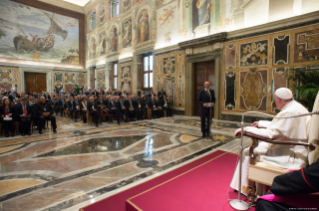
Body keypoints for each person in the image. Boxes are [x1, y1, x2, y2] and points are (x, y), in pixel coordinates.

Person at [230, 88, 311, 196]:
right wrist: (260, 123)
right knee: (259, 148)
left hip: (291, 155)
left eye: (274, 101)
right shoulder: (296, 107)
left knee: (248, 151)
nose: (274, 103)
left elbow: (271, 134)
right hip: (294, 148)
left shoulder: (289, 111)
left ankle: (247, 189)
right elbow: (281, 126)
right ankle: (252, 188)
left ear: (279, 100)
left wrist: (246, 130)